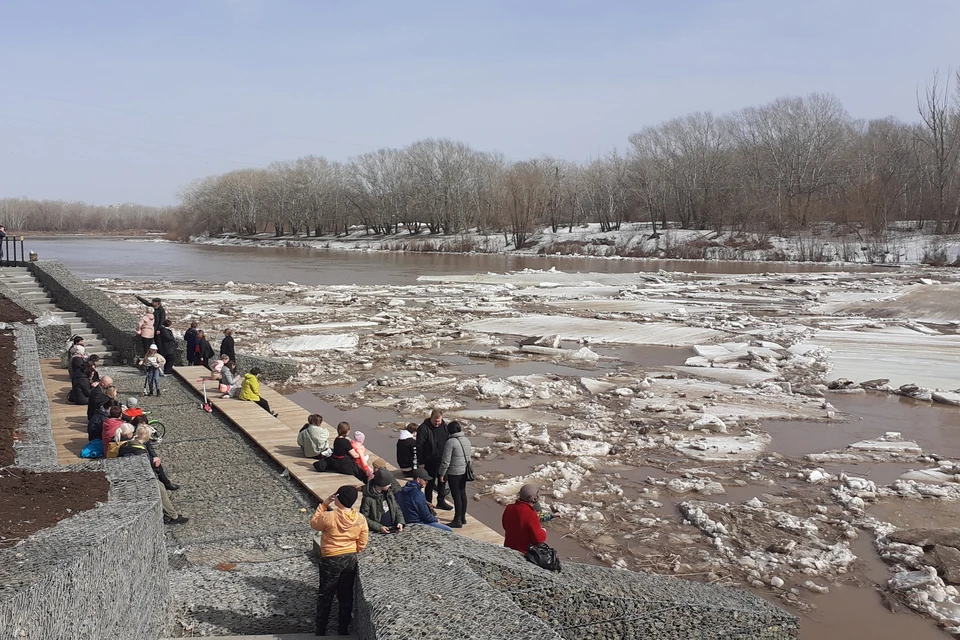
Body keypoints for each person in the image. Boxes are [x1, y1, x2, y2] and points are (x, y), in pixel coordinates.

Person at [310, 485, 369, 636]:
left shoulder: (329, 516)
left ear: (339, 499)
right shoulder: (360, 518)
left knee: (326, 593)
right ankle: (343, 629)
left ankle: (321, 629)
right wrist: (355, 549)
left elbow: (314, 523)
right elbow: (363, 540)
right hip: (349, 558)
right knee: (346, 594)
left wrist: (324, 504)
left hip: (331, 557)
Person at [119, 425, 187, 524]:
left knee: (161, 486)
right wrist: (154, 463)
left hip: (127, 475)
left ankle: (171, 514)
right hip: (139, 478)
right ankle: (173, 517)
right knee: (160, 490)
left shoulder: (127, 444)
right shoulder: (140, 451)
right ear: (147, 437)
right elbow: (143, 467)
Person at [502, 484, 560, 554]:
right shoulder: (531, 514)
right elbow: (538, 539)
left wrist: (552, 516)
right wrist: (543, 532)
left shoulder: (509, 508)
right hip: (524, 552)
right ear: (533, 498)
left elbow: (505, 526)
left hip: (508, 547)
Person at [438, 421, 472, 529]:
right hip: (464, 472)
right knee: (463, 494)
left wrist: (442, 473)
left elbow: (446, 461)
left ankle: (457, 520)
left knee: (456, 496)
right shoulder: (467, 440)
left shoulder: (450, 442)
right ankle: (462, 517)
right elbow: (469, 458)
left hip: (454, 473)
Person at [416, 409, 452, 510]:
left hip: (442, 460)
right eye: (435, 421)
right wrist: (421, 462)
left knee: (442, 481)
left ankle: (441, 501)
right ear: (431, 418)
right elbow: (419, 446)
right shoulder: (424, 428)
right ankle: (429, 504)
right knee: (430, 483)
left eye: (439, 421)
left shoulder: (444, 426)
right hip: (429, 460)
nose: (437, 423)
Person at [360, 468, 405, 535]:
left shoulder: (389, 493)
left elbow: (397, 509)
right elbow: (364, 518)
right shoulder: (368, 499)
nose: (390, 485)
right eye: (388, 483)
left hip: (392, 528)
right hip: (378, 532)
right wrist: (379, 527)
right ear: (382, 484)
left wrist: (400, 522)